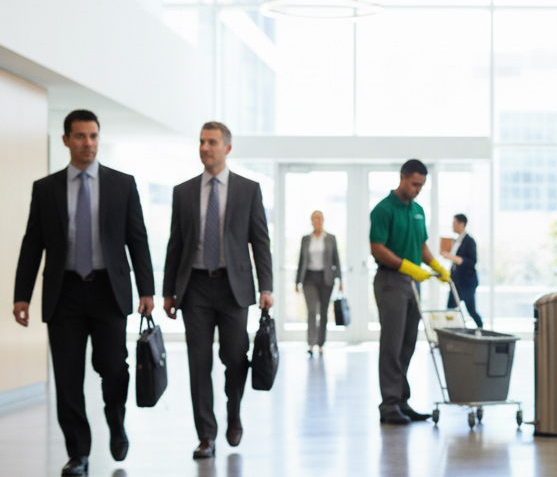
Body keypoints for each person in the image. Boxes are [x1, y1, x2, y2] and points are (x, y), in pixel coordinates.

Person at [12, 110, 155, 477]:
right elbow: (33, 244)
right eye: (79, 136)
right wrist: (22, 295)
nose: (87, 143)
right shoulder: (46, 189)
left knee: (114, 370)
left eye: (93, 136)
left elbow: (137, 240)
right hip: (66, 294)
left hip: (109, 293)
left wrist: (147, 290)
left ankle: (116, 421)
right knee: (68, 378)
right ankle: (79, 453)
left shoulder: (122, 184)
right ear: (66, 141)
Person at [162, 121, 274, 459]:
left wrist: (266, 286)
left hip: (233, 287)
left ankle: (234, 411)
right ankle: (206, 435)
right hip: (194, 287)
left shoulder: (248, 189)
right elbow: (175, 243)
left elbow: (260, 241)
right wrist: (169, 291)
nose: (204, 148)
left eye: (211, 142)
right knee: (199, 363)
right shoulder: (183, 191)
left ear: (226, 147)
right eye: (201, 142)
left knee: (235, 358)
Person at [369, 159, 450, 425]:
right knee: (391, 344)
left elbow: (422, 244)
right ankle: (389, 405)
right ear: (402, 177)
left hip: (412, 284)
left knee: (408, 343)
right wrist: (405, 265)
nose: (417, 189)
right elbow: (377, 247)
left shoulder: (417, 211)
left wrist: (435, 265)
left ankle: (402, 401)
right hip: (390, 281)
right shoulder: (383, 209)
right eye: (414, 184)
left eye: (421, 186)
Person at [295, 210, 343, 356]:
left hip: (326, 279)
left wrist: (340, 280)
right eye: (314, 218)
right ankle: (311, 342)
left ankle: (321, 343)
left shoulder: (330, 238)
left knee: (323, 312)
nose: (317, 220)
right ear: (311, 221)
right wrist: (297, 281)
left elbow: (336, 260)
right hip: (309, 278)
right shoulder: (306, 239)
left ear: (323, 220)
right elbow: (301, 261)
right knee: (311, 311)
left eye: (319, 218)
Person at [441, 213, 482, 328]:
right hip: (456, 282)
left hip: (467, 283)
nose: (452, 226)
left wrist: (454, 258)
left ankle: (481, 330)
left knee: (471, 310)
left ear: (461, 224)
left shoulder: (469, 241)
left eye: (454, 223)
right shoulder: (454, 241)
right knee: (450, 310)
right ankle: (450, 333)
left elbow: (472, 262)